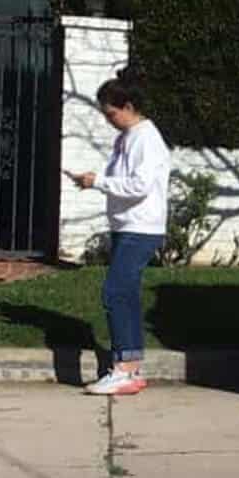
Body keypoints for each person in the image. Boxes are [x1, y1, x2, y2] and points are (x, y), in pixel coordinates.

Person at [66, 77, 170, 396]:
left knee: (115, 292)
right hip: (129, 226)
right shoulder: (128, 138)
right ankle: (130, 367)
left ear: (128, 107)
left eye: (111, 113)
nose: (108, 120)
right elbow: (123, 180)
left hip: (141, 227)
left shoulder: (145, 139)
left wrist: (98, 182)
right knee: (125, 295)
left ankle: (124, 369)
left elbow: (139, 185)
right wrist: (93, 181)